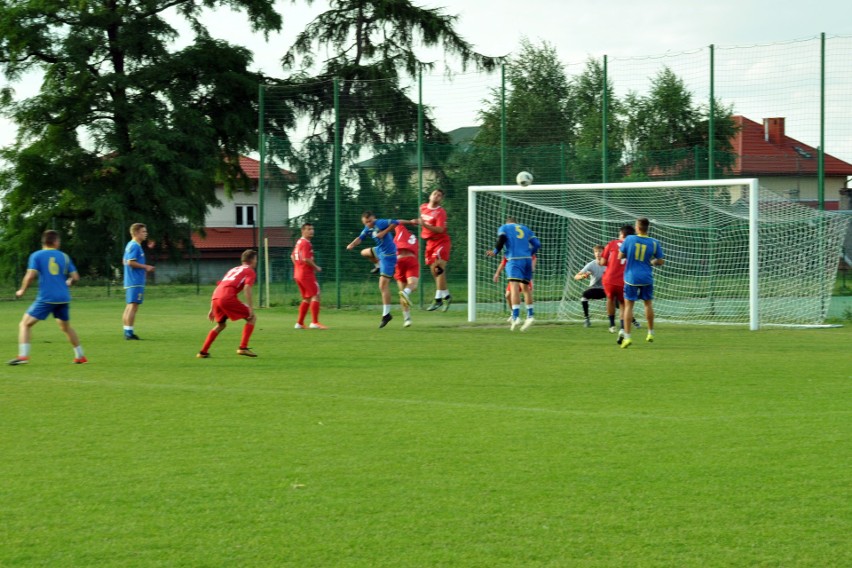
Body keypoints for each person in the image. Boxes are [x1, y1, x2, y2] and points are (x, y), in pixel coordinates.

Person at [8, 230, 87, 365]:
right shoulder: (65, 257)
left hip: (46, 298)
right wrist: (69, 282)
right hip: (63, 298)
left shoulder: (36, 256)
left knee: (25, 324)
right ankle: (80, 356)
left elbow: (30, 275)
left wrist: (22, 290)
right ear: (55, 242)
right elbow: (75, 278)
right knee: (66, 328)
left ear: (44, 242)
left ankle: (23, 356)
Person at [197, 249, 259, 358]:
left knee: (221, 325)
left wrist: (212, 308)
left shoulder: (233, 269)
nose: (256, 261)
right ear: (252, 260)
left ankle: (203, 352)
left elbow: (220, 286)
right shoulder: (249, 271)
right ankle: (243, 348)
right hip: (227, 297)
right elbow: (247, 288)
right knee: (252, 318)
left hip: (216, 297)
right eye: (256, 259)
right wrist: (251, 309)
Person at [486, 216, 541, 331]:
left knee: (514, 287)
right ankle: (530, 316)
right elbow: (537, 244)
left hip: (514, 260)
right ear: (516, 223)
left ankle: (515, 316)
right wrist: (529, 253)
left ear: (507, 222)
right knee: (526, 288)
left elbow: (501, 239)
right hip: (527, 259)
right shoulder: (525, 228)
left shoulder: (504, 227)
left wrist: (495, 252)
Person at [618, 217, 665, 349]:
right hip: (646, 277)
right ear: (647, 228)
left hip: (631, 277)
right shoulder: (654, 242)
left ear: (637, 228)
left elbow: (620, 256)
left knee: (628, 306)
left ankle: (627, 338)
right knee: (648, 304)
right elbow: (661, 261)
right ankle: (650, 333)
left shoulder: (629, 239)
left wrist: (629, 254)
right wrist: (652, 262)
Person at [346, 212, 399, 328]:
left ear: (373, 218)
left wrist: (384, 232)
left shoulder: (380, 223)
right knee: (364, 252)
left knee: (383, 286)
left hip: (389, 256)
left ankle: (386, 314)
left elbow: (396, 222)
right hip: (379, 251)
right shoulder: (367, 228)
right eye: (366, 222)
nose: (369, 224)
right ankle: (378, 266)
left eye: (370, 221)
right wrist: (352, 244)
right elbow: (360, 238)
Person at [599, 224, 640, 334]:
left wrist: (610, 262)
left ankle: (612, 325)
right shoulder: (635, 247)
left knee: (610, 299)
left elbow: (602, 262)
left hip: (609, 279)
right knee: (623, 303)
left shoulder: (612, 244)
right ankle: (622, 327)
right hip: (625, 280)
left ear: (622, 234)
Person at [419, 188, 452, 312]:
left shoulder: (440, 212)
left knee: (439, 268)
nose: (436, 196)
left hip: (441, 241)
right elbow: (422, 220)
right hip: (429, 243)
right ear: (430, 196)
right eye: (435, 194)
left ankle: (438, 299)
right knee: (435, 272)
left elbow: (440, 229)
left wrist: (425, 225)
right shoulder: (422, 207)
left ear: (441, 199)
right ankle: (446, 296)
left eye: (439, 195)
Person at [291, 223, 327, 330]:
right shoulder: (306, 243)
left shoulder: (299, 242)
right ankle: (315, 322)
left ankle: (299, 323)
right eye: (309, 229)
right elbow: (306, 259)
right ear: (303, 231)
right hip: (306, 274)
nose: (311, 231)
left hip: (298, 274)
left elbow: (292, 256)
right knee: (316, 295)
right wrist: (316, 267)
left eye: (312, 229)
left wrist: (298, 267)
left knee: (306, 298)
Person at [122, 223, 155, 340]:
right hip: (135, 281)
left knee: (130, 306)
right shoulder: (135, 246)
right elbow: (130, 262)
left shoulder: (130, 245)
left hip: (131, 280)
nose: (146, 234)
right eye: (143, 232)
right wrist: (145, 267)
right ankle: (129, 333)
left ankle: (127, 331)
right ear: (136, 233)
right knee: (133, 306)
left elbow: (124, 261)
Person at [493, 254, 536, 322]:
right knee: (507, 295)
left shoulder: (525, 250)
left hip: (523, 276)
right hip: (514, 276)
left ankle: (529, 315)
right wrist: (497, 273)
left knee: (526, 292)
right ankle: (514, 314)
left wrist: (531, 270)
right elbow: (503, 262)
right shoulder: (509, 251)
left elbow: (533, 258)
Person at [393, 221, 420, 328]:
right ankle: (406, 292)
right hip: (410, 259)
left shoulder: (400, 229)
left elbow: (397, 222)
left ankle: (407, 318)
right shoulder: (415, 240)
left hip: (398, 261)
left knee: (402, 291)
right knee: (412, 285)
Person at [574, 245, 607, 327]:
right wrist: (582, 276)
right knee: (584, 295)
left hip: (606, 289)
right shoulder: (591, 265)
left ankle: (632, 320)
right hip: (594, 289)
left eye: (600, 251)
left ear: (604, 253)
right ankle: (586, 319)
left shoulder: (609, 264)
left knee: (619, 301)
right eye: (596, 252)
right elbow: (576, 276)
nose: (598, 253)